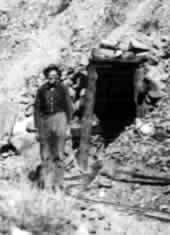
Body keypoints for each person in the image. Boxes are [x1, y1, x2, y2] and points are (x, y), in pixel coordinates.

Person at [34, 64, 73, 170]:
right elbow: (37, 108)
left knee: (60, 137)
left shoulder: (63, 88)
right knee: (46, 141)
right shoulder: (42, 90)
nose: (52, 78)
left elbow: (68, 105)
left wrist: (69, 122)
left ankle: (59, 162)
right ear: (47, 76)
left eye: (55, 76)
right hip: (46, 118)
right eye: (50, 76)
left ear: (58, 77)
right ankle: (46, 165)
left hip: (60, 117)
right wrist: (37, 125)